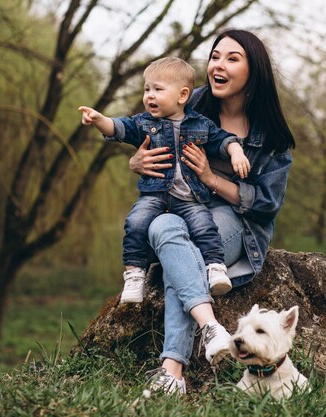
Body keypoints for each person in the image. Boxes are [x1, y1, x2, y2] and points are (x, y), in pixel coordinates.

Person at [129, 29, 295, 395]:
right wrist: (137, 160)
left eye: (232, 59)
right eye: (215, 56)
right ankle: (210, 328)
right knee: (161, 226)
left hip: (238, 225)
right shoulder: (191, 104)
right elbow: (141, 130)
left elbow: (267, 204)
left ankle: (171, 370)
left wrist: (208, 176)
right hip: (184, 210)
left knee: (185, 251)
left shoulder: (271, 136)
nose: (218, 65)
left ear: (255, 73)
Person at [78, 57, 251, 304]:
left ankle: (215, 268)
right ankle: (134, 275)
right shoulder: (144, 123)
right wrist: (98, 120)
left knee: (205, 226)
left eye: (158, 89)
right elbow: (118, 128)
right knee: (135, 222)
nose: (150, 95)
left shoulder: (200, 124)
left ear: (182, 96)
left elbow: (223, 139)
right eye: (147, 89)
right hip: (154, 195)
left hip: (190, 197)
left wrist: (236, 152)